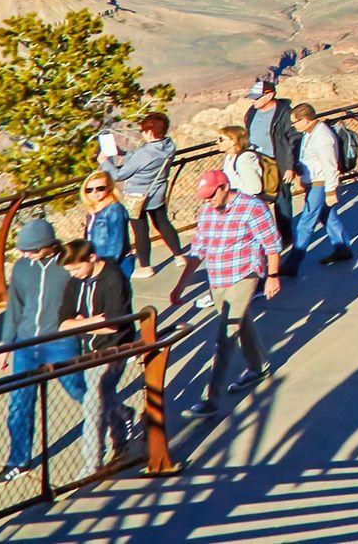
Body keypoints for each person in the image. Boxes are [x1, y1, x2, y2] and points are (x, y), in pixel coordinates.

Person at [181, 168, 281, 417]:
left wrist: (272, 276)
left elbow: (271, 244)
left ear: (225, 187)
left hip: (244, 274)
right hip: (218, 277)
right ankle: (258, 367)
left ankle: (210, 399)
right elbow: (198, 249)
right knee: (240, 322)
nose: (208, 200)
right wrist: (180, 285)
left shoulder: (253, 207)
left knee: (225, 335)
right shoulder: (206, 210)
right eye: (204, 196)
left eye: (211, 194)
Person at [0, 220, 77, 483]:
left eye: (30, 250)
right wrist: (7, 347)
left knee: (82, 392)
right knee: (19, 404)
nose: (25, 255)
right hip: (26, 345)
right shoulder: (21, 267)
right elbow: (14, 308)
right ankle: (18, 461)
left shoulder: (67, 266)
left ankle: (121, 417)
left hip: (60, 343)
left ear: (47, 246)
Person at [57, 238, 137, 475]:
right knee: (102, 396)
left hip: (115, 348)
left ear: (92, 258)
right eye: (69, 270)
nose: (73, 274)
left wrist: (81, 323)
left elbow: (113, 324)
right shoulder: (75, 282)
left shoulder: (114, 279)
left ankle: (92, 463)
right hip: (90, 349)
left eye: (76, 268)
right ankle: (122, 421)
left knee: (93, 403)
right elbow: (63, 322)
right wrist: (93, 322)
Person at [101, 112, 181, 278]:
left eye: (144, 129)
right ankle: (179, 256)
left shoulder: (146, 153)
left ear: (150, 132)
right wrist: (121, 152)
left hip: (138, 196)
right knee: (162, 222)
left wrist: (104, 162)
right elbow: (140, 157)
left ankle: (145, 267)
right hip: (157, 192)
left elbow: (118, 175)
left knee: (140, 230)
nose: (142, 132)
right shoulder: (168, 145)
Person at [287, 104, 352, 268]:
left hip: (320, 184)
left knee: (305, 223)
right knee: (328, 217)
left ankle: (292, 264)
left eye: (295, 122)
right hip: (314, 182)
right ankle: (342, 247)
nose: (293, 126)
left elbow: (330, 166)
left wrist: (330, 191)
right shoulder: (310, 133)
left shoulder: (322, 137)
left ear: (305, 119)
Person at [243, 79, 299, 247]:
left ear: (270, 95)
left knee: (282, 200)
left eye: (257, 97)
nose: (254, 101)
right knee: (257, 199)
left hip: (278, 162)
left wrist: (290, 166)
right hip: (256, 163)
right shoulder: (252, 112)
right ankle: (264, 236)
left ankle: (286, 236)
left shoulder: (284, 113)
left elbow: (293, 140)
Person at [81, 170, 136, 281]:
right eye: (89, 190)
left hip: (116, 263)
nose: (94, 193)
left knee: (116, 296)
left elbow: (116, 242)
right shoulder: (92, 211)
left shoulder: (114, 209)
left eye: (100, 188)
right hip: (97, 262)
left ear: (109, 187)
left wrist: (107, 266)